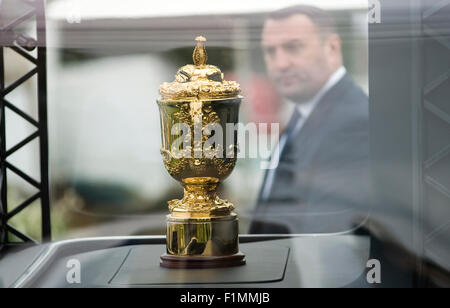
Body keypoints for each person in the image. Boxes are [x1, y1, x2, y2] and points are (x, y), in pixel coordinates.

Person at [250, 5, 370, 234]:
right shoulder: (302, 114)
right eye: (270, 51)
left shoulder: (354, 122)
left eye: (293, 47)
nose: (280, 63)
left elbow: (327, 237)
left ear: (332, 48)